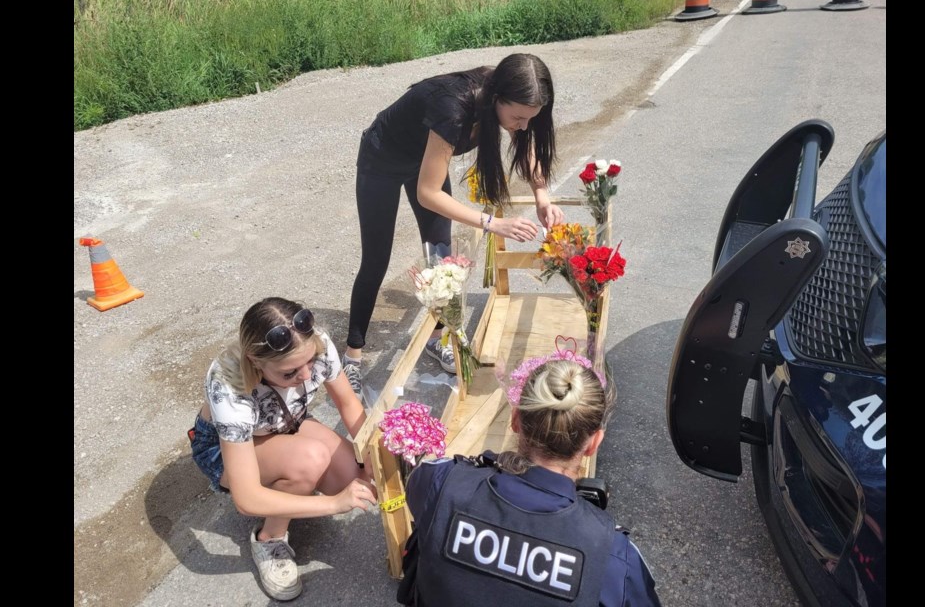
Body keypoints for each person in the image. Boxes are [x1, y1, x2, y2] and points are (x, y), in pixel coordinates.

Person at [343, 53, 566, 392]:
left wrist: (541, 195)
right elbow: (428, 194)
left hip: (427, 160)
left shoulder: (507, 100)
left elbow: (526, 144)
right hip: (383, 159)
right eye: (518, 117)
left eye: (529, 119)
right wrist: (491, 223)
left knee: (441, 260)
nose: (522, 125)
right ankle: (352, 357)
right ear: (496, 99)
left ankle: (435, 338)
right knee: (376, 261)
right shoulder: (454, 109)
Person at [399, 355, 662, 606]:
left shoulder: (442, 481)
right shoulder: (613, 556)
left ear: (515, 420)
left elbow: (417, 488)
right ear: (594, 443)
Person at [188, 296, 378, 601]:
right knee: (310, 462)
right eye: (288, 374)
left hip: (286, 420)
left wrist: (372, 453)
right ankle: (269, 539)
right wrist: (334, 504)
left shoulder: (315, 343)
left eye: (310, 363)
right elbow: (246, 499)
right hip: (222, 450)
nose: (305, 376)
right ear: (254, 361)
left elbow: (347, 404)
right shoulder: (228, 384)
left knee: (363, 481)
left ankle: (292, 483)